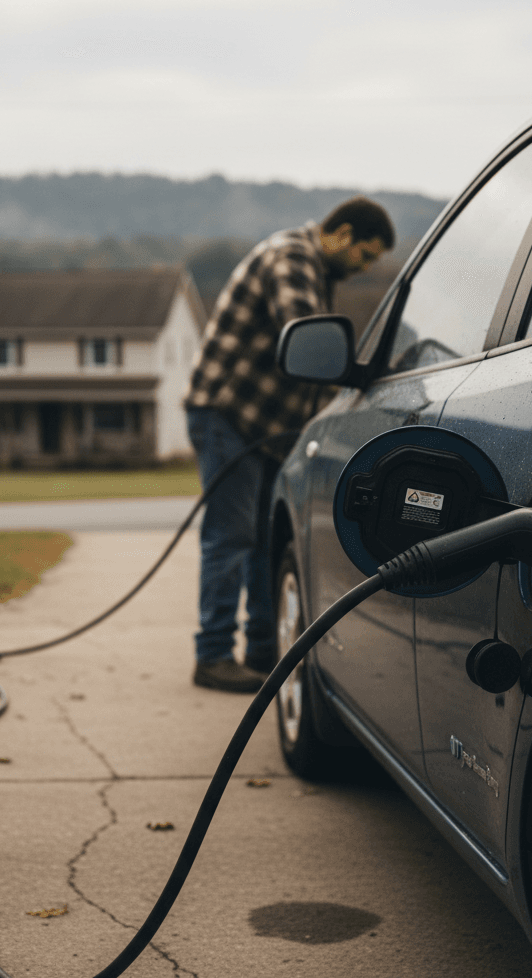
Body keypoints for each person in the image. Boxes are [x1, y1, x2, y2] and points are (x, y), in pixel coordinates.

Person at [183, 196, 395, 692]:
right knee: (231, 538)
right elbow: (309, 338)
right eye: (364, 255)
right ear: (340, 234)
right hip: (228, 414)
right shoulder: (292, 257)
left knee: (261, 543)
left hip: (260, 428)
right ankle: (212, 654)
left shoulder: (318, 272)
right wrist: (361, 377)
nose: (363, 268)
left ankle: (262, 652)